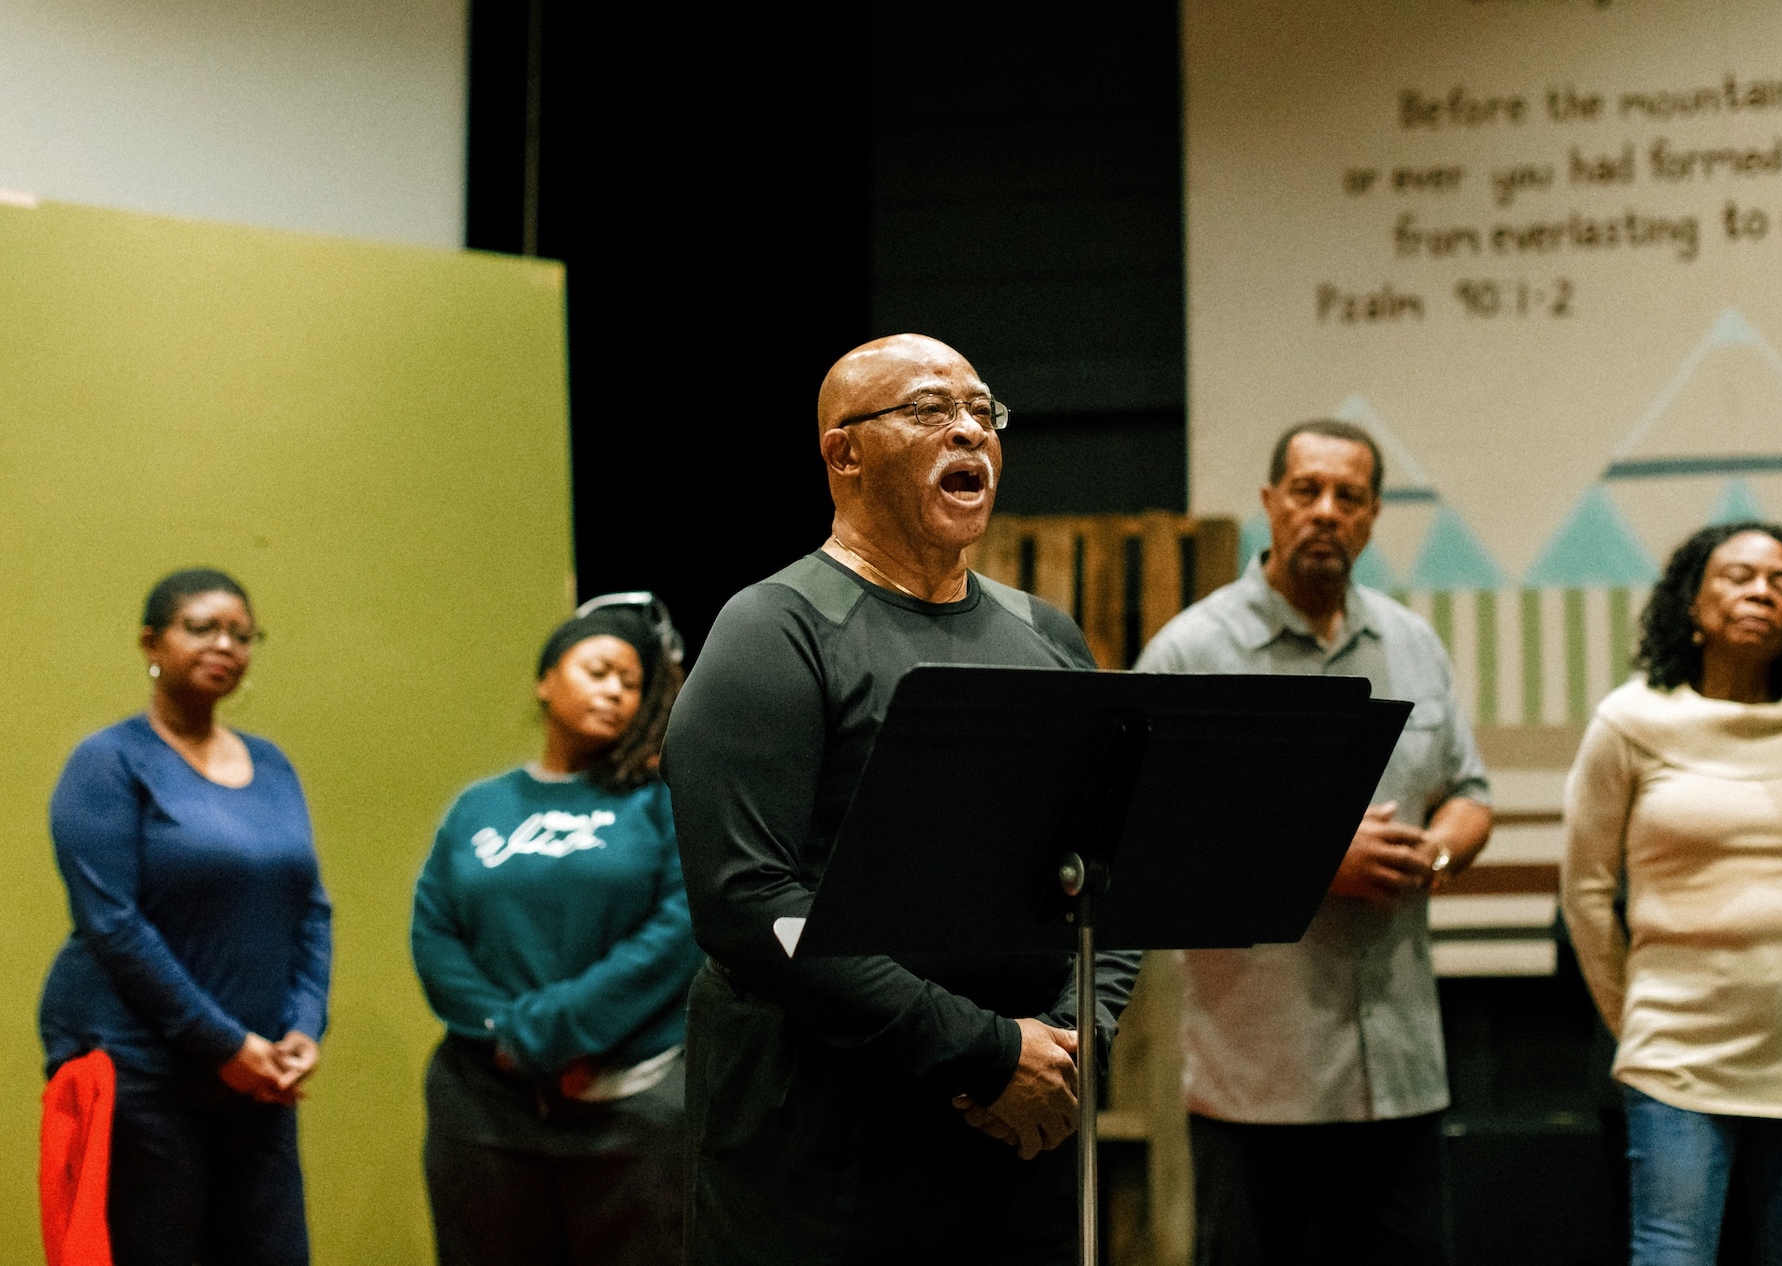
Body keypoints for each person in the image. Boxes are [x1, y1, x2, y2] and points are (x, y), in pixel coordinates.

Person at [662, 333, 1142, 1264]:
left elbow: (1109, 870)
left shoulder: (1045, 634)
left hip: (1027, 1121)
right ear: (844, 451)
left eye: (982, 411)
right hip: (827, 1141)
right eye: (929, 410)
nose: (969, 431)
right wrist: (984, 1054)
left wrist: (1070, 1042)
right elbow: (750, 906)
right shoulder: (773, 631)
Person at [1134, 421, 1492, 1266]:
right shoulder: (1192, 653)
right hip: (1260, 1082)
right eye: (1306, 491)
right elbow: (1142, 831)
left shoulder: (1412, 643)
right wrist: (1313, 859)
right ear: (1270, 504)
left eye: (1349, 496)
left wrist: (1435, 855)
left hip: (1400, 1071)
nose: (1325, 512)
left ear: (1371, 518)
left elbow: (1470, 794)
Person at [1560, 522, 1782, 1266]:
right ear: (1691, 606)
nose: (1761, 591)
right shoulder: (1630, 722)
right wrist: (1633, 1017)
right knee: (1673, 1254)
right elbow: (1587, 893)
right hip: (1676, 1046)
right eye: (1738, 576)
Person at [39, 567, 331, 1266]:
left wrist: (302, 1027)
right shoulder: (108, 763)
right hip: (145, 1081)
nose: (224, 644)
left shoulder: (272, 763)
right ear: (152, 641)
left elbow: (310, 908)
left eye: (241, 633)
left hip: (260, 1081)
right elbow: (112, 924)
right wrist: (222, 1046)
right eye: (201, 628)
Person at [412, 594, 701, 1266]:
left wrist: (553, 1032)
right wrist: (506, 1034)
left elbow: (676, 934)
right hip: (484, 1106)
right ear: (545, 681)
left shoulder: (661, 805)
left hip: (632, 1106)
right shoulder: (479, 806)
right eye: (598, 670)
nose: (615, 692)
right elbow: (436, 934)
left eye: (631, 684)